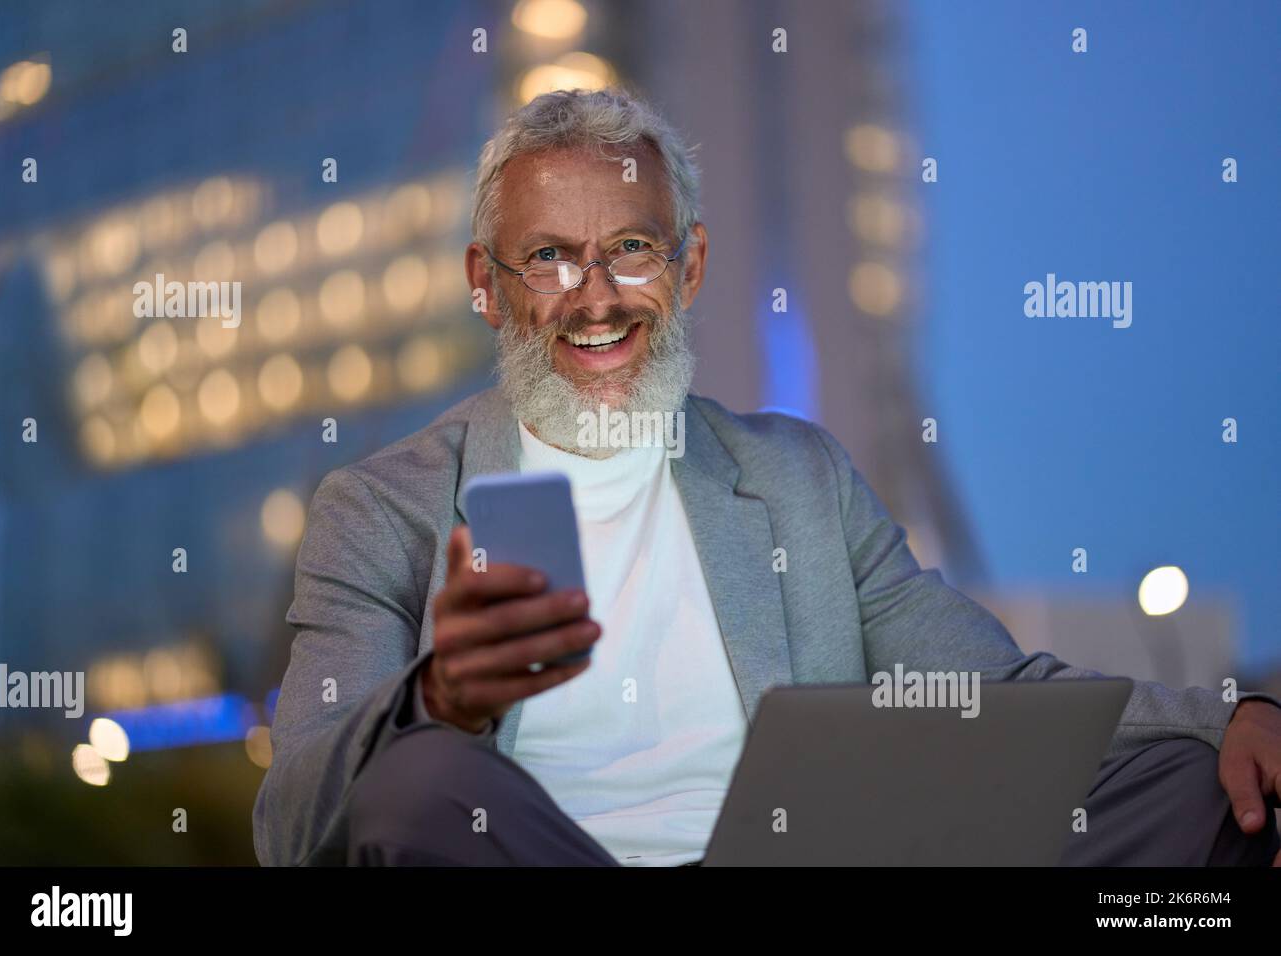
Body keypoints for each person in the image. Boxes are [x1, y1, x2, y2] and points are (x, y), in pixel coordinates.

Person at [253, 87, 1281, 867]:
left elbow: (993, 692)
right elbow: (292, 816)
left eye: (632, 249)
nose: (597, 297)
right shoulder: (380, 508)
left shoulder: (797, 476)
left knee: (1190, 784)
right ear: (487, 284)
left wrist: (1223, 714)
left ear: (690, 266)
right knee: (416, 784)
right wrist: (443, 697)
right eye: (552, 260)